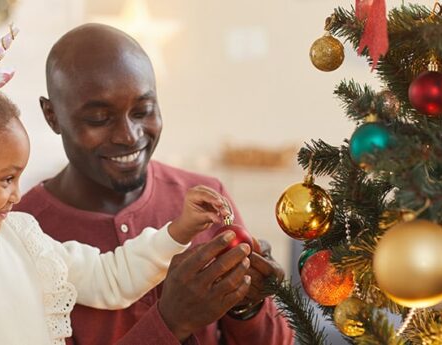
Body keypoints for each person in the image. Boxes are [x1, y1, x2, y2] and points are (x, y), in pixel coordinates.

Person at [0, 29, 241, 345]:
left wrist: (179, 230)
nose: (16, 194)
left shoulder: (25, 237)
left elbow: (111, 278)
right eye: (5, 179)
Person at [15, 23, 294, 344]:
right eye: (99, 118)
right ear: (52, 116)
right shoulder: (22, 234)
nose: (129, 136)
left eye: (143, 110)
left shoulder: (207, 199)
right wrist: (171, 322)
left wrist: (248, 307)